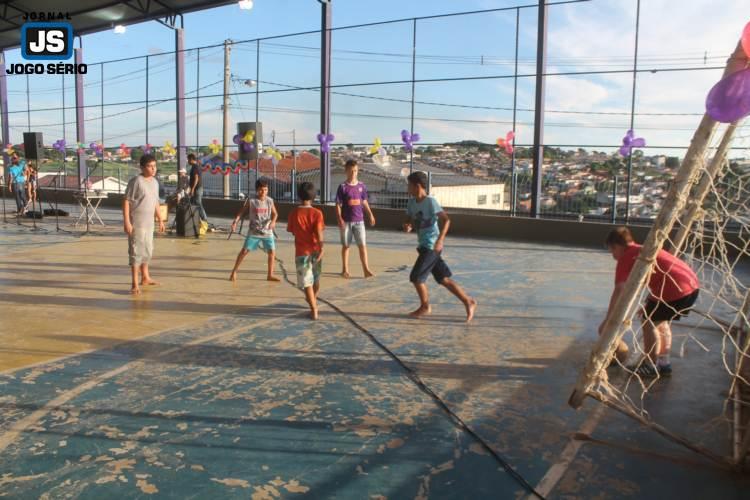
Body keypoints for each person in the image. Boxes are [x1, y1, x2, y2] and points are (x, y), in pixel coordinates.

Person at [601, 227, 700, 377]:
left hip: (674, 287)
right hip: (691, 286)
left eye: (611, 250)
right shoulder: (641, 249)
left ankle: (650, 365)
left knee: (649, 323)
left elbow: (620, 289)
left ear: (616, 246)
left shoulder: (627, 257)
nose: (612, 255)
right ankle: (663, 363)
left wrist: (608, 320)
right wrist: (649, 303)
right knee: (661, 322)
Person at [404, 171, 476, 322]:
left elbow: (447, 220)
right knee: (443, 279)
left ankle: (425, 307)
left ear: (417, 186)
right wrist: (408, 225)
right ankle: (468, 301)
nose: (407, 188)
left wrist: (440, 240)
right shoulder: (411, 203)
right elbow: (410, 219)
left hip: (432, 245)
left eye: (409, 185)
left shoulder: (430, 202)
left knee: (416, 277)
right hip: (423, 245)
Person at [123, 154, 166, 295]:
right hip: (137, 223)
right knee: (136, 252)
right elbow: (127, 201)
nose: (153, 169)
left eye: (154, 166)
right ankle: (134, 283)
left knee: (148, 250)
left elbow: (155, 202)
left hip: (149, 224)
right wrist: (127, 222)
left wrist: (160, 219)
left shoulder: (154, 182)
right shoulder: (136, 181)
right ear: (142, 167)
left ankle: (145, 277)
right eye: (149, 166)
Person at [286, 182, 325, 320]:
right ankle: (313, 299)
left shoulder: (294, 213)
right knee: (316, 279)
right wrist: (322, 248)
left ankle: (313, 308)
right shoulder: (317, 213)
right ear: (314, 196)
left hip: (301, 252)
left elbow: (291, 231)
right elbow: (319, 233)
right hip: (315, 250)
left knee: (307, 282)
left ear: (298, 195)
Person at [229, 179, 280, 282]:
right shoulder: (251, 201)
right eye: (261, 190)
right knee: (244, 251)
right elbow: (241, 212)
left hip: (267, 231)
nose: (263, 192)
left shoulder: (270, 201)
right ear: (257, 190)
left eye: (265, 190)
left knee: (272, 252)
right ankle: (234, 271)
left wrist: (273, 222)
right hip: (254, 231)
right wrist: (235, 222)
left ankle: (270, 275)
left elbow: (275, 214)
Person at [335, 159, 376, 278]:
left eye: (356, 171)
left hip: (359, 221)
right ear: (346, 171)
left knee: (362, 245)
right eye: (351, 171)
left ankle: (366, 269)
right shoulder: (342, 187)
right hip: (346, 221)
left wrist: (370, 214)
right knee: (346, 246)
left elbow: (364, 201)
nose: (353, 173)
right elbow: (338, 204)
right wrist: (339, 219)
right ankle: (345, 269)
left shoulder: (362, 186)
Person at [188, 153, 207, 222]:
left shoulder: (195, 167)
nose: (188, 161)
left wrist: (192, 189)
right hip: (196, 188)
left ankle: (204, 218)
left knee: (198, 203)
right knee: (193, 203)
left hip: (197, 188)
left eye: (188, 160)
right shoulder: (195, 166)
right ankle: (194, 218)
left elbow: (196, 178)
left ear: (191, 159)